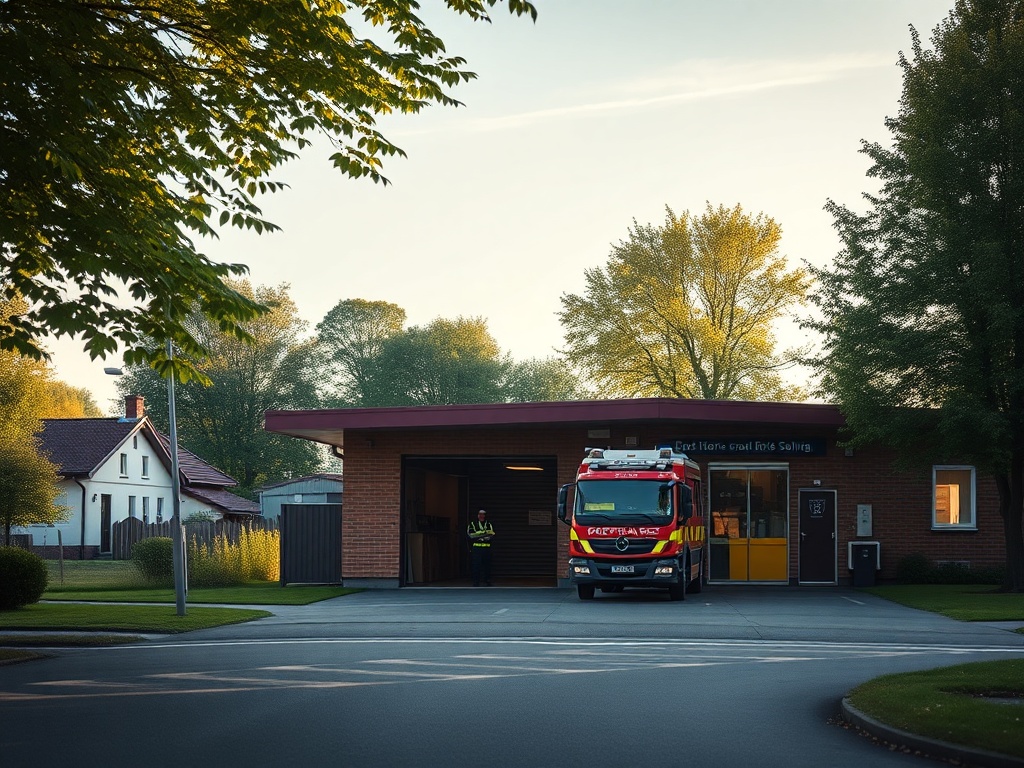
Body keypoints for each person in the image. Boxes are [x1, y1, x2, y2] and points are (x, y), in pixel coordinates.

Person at [467, 508, 495, 586]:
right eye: (480, 514)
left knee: (487, 566)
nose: (481, 516)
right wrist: (484, 534)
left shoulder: (489, 524)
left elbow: (491, 534)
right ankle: (476, 582)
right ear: (477, 515)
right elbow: (471, 535)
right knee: (476, 566)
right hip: (477, 548)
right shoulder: (472, 524)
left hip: (487, 548)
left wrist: (479, 535)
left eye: (483, 514)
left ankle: (487, 580)